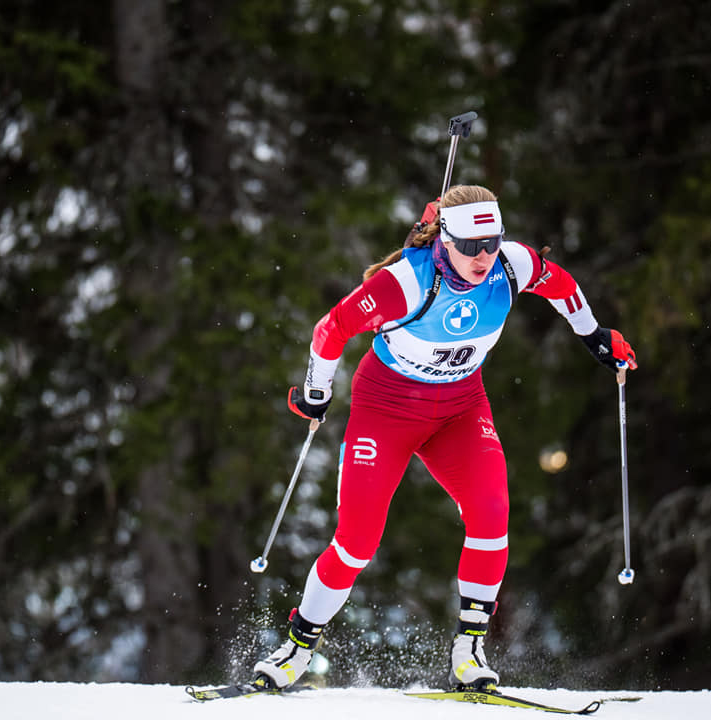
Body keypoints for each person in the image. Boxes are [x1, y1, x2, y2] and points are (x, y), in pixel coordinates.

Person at [253, 184, 637, 691]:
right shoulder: (405, 283)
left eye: (492, 243)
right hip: (385, 408)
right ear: (444, 241)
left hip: (459, 408)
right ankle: (297, 649)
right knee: (357, 540)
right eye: (471, 247)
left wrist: (594, 336)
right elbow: (331, 329)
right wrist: (316, 393)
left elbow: (561, 285)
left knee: (492, 514)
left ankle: (469, 650)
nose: (484, 258)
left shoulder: (511, 265)